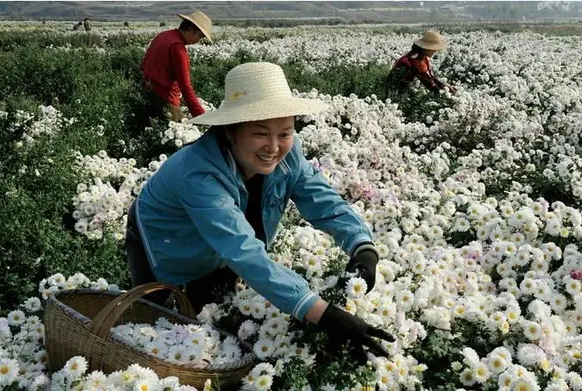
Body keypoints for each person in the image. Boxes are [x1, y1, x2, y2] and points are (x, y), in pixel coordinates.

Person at [125, 62, 393, 361]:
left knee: (215, 312)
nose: (274, 147)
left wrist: (362, 244)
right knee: (163, 328)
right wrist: (325, 314)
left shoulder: (288, 153)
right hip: (167, 240)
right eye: (260, 133)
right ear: (230, 131)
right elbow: (242, 251)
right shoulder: (198, 175)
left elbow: (322, 199)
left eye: (285, 132)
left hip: (225, 246)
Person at [138, 11, 212, 124]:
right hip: (165, 99)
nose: (198, 41)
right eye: (199, 37)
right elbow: (185, 86)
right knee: (179, 131)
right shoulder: (178, 48)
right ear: (192, 30)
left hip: (148, 92)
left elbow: (144, 64)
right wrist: (201, 116)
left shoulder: (163, 35)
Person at [385, 30, 456, 97]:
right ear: (427, 48)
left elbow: (430, 76)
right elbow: (428, 82)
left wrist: (444, 86)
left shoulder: (420, 56)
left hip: (401, 87)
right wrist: (445, 94)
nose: (435, 50)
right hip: (395, 90)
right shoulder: (416, 61)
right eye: (434, 48)